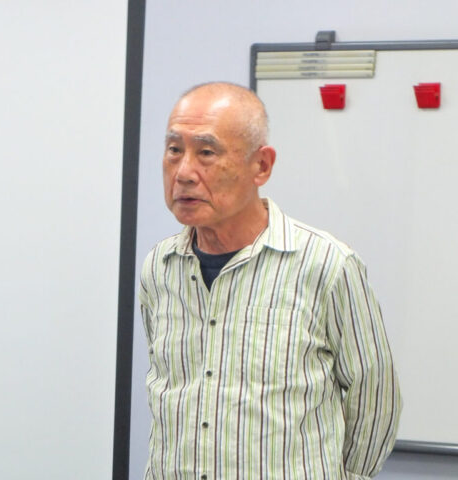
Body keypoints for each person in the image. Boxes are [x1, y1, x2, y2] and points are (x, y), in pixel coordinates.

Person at [139, 82, 401, 480]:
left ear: (261, 166)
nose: (184, 172)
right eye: (174, 150)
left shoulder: (326, 264)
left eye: (206, 152)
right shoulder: (159, 267)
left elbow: (376, 397)